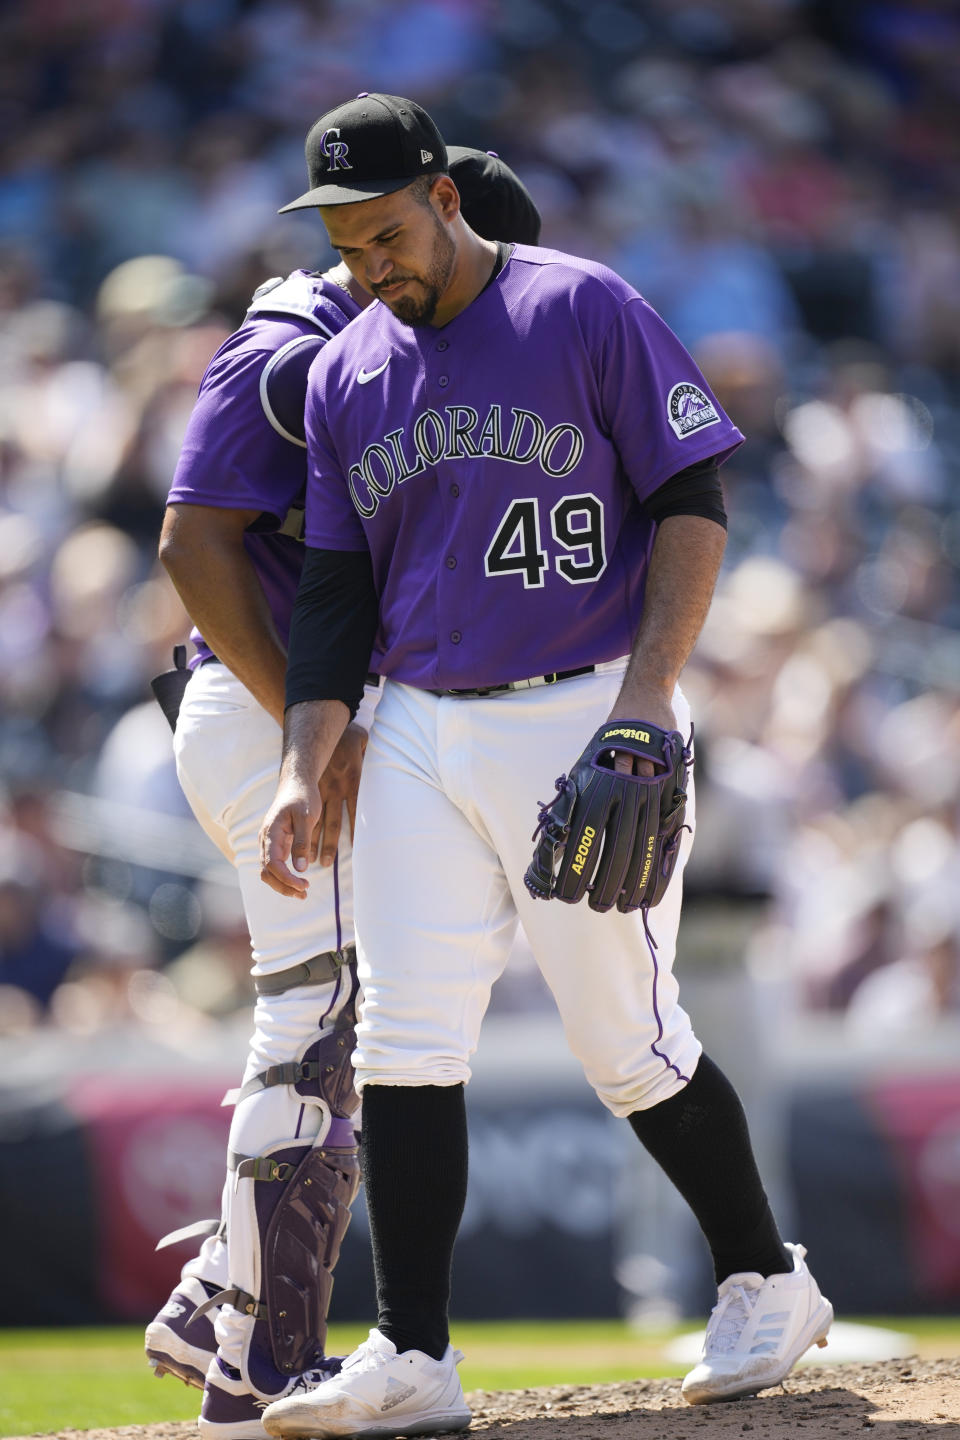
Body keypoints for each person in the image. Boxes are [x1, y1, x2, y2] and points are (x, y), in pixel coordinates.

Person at [258, 92, 833, 1438]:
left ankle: (765, 1275)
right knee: (404, 1032)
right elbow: (336, 593)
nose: (367, 266)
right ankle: (412, 1350)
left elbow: (692, 503)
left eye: (385, 232)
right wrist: (305, 759)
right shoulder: (349, 370)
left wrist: (646, 705)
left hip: (581, 704)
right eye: (344, 245)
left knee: (621, 1036)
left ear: (445, 198)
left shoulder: (582, 308)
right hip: (415, 720)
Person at [147, 135, 542, 1440]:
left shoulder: (371, 353)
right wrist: (311, 742)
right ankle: (258, 1350)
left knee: (339, 1014)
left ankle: (228, 1297)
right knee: (316, 1019)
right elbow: (191, 544)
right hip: (252, 707)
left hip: (271, 712)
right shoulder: (297, 349)